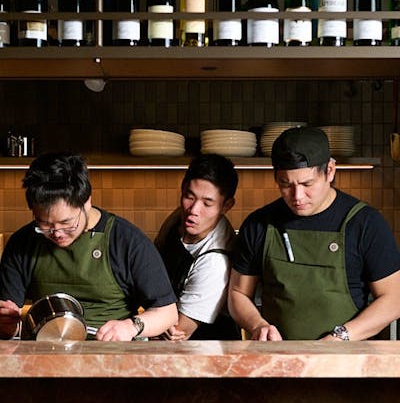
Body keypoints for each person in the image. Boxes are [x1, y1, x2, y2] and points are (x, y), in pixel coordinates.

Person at [228, 125, 400, 341]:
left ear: (330, 170)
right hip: (278, 361)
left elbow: (394, 298)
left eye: (307, 183)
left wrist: (341, 337)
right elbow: (238, 293)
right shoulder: (259, 224)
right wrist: (258, 325)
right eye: (285, 184)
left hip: (346, 363)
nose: (297, 196)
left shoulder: (365, 223)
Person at [0, 152, 178, 341]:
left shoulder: (126, 240)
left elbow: (167, 312)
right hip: (46, 354)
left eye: (67, 223)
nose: (56, 233)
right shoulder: (22, 242)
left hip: (112, 356)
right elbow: (9, 326)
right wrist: (8, 325)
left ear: (86, 202)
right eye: (44, 224)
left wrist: (131, 326)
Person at [155, 153, 241, 340]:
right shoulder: (180, 218)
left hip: (205, 351)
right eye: (189, 197)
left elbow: (177, 335)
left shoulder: (216, 262)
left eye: (207, 203)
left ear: (227, 205)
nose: (193, 211)